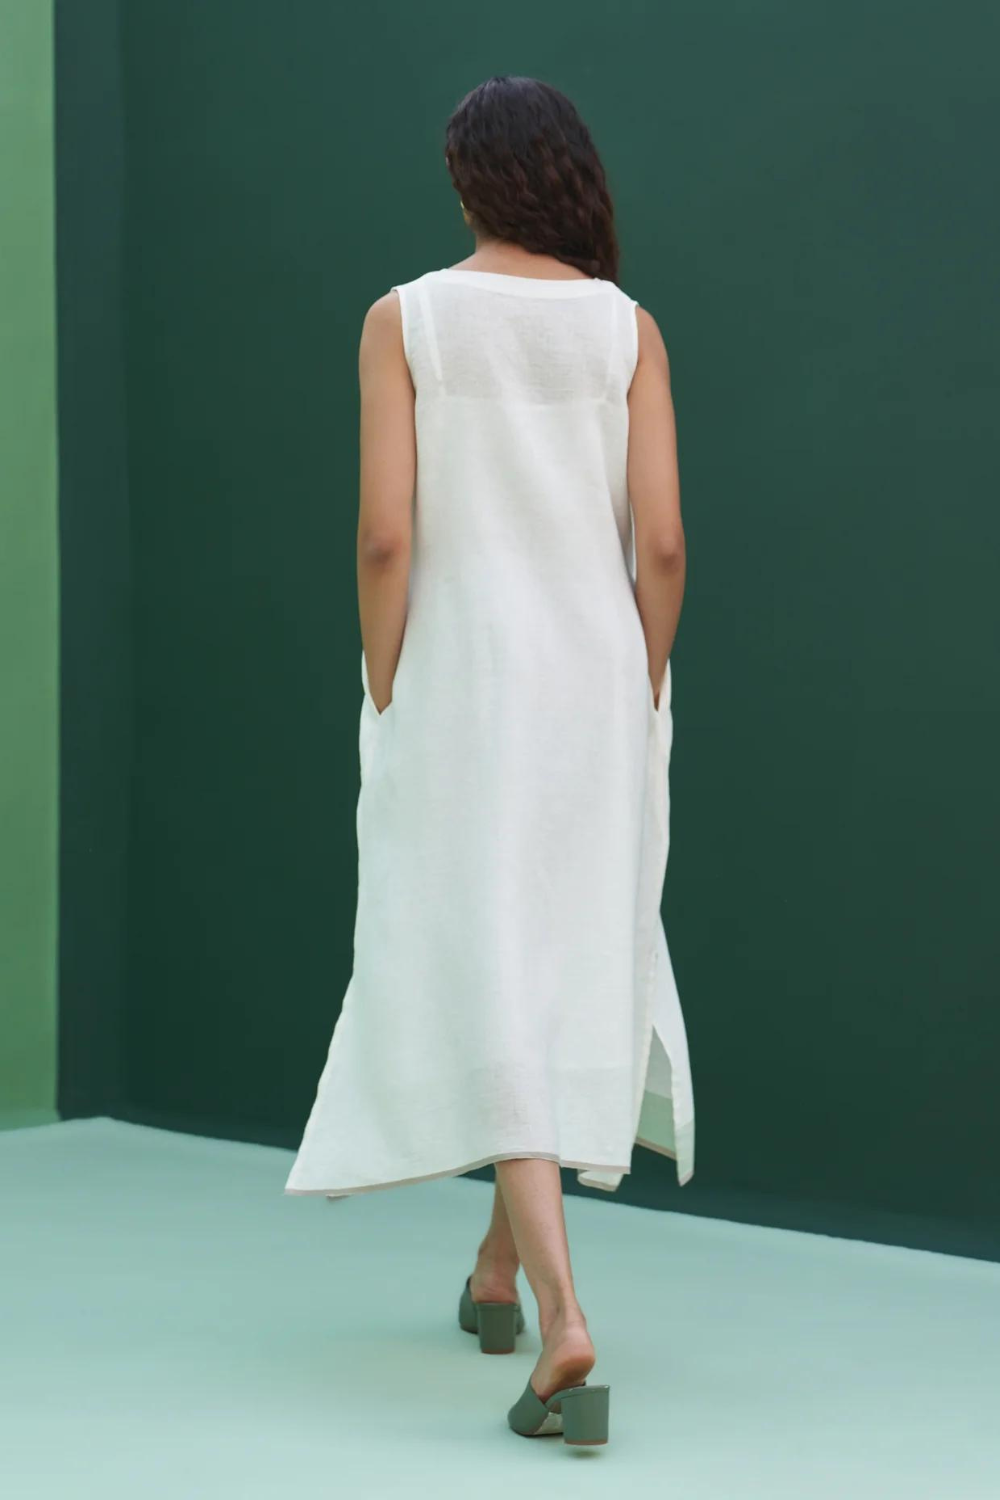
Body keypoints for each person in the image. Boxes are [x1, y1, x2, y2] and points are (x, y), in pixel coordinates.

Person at [286, 74, 694, 1448]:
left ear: (468, 184)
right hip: (598, 682)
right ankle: (495, 1274)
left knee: (490, 958)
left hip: (463, 677)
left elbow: (385, 535)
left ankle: (565, 1317)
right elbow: (662, 544)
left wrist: (386, 675)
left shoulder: (406, 320)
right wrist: (642, 678)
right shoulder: (626, 330)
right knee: (563, 952)